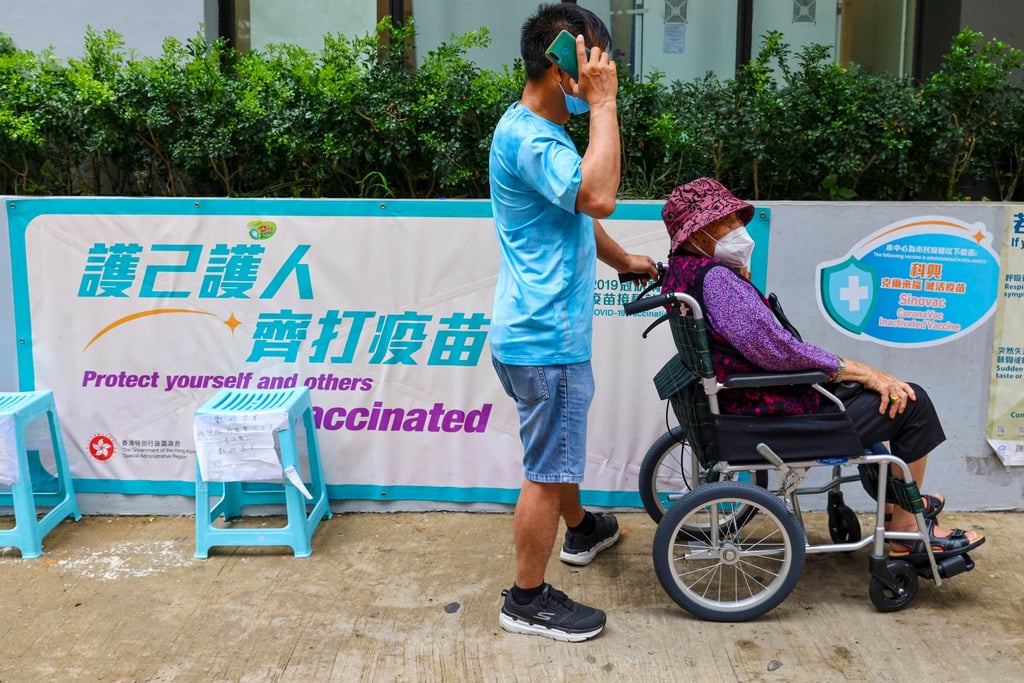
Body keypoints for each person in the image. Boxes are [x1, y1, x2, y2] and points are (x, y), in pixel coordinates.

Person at [659, 176, 984, 559]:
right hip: (770, 409)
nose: (738, 230)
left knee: (878, 396)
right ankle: (906, 532)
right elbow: (778, 351)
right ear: (698, 233)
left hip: (747, 399)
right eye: (724, 224)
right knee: (911, 402)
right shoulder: (716, 280)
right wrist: (857, 370)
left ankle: (899, 508)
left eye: (735, 220)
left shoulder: (681, 271)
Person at [488, 3, 658, 642]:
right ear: (563, 67)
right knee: (547, 467)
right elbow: (597, 194)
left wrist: (622, 259)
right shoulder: (533, 137)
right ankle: (525, 600)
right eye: (594, 61)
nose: (604, 72)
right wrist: (607, 107)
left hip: (528, 333)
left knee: (556, 450)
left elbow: (576, 213)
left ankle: (583, 529)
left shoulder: (531, 129)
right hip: (545, 341)